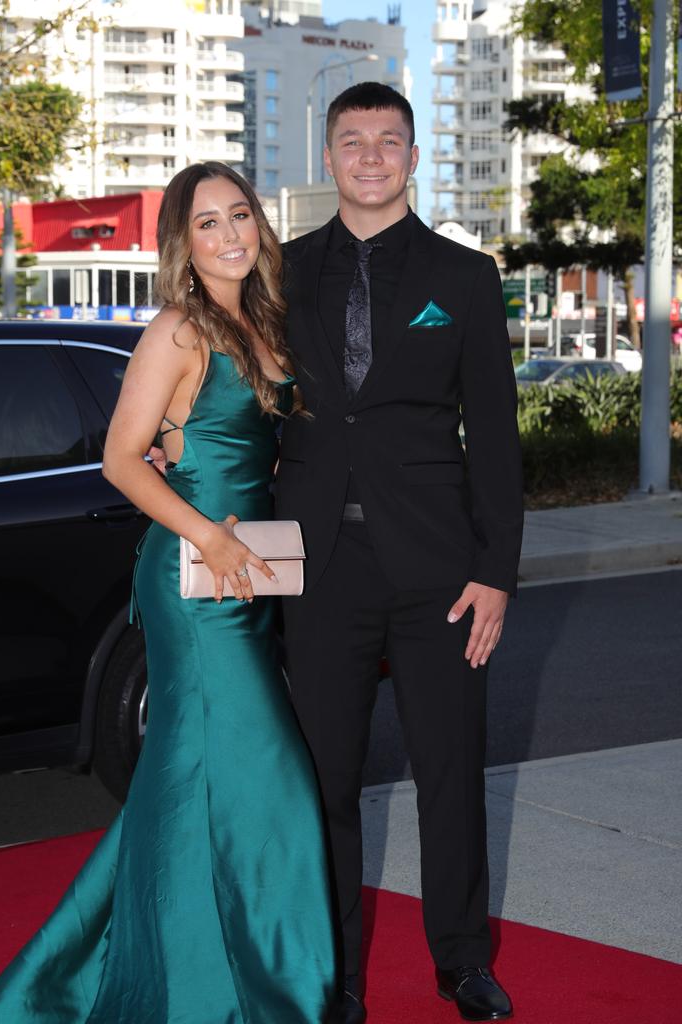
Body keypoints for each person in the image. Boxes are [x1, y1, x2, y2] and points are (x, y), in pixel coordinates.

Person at [0, 162, 336, 1024]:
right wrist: (207, 533)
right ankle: (236, 983)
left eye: (239, 215)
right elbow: (121, 459)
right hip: (195, 580)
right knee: (263, 777)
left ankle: (188, 971)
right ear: (181, 242)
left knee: (194, 779)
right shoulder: (178, 330)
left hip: (248, 574)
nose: (230, 234)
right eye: (207, 223)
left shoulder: (262, 323)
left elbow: (255, 447)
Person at [274, 83, 524, 1023]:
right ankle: (334, 972)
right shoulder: (279, 271)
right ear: (328, 156)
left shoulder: (464, 278)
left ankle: (463, 961)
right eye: (352, 140)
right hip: (316, 569)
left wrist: (497, 569)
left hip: (441, 573)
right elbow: (245, 404)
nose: (371, 156)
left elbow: (495, 438)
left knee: (451, 771)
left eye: (389, 141)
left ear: (414, 157)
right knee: (324, 779)